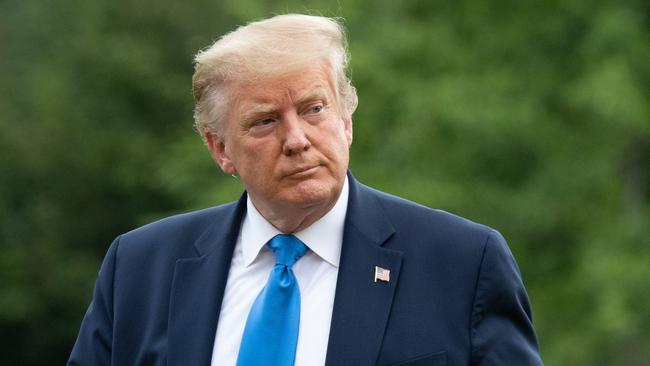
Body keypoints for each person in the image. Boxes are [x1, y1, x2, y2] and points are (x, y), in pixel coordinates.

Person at [68, 14, 543, 366]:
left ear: (347, 119)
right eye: (265, 121)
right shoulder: (139, 268)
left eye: (314, 109)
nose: (296, 140)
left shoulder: (462, 263)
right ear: (220, 149)